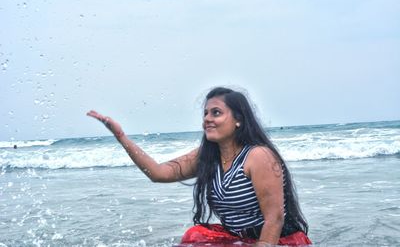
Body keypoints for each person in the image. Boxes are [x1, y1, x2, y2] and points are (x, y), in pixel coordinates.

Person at [87, 87, 311, 246]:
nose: (207, 119)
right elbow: (158, 173)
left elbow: (275, 218)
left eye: (216, 113)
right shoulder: (207, 156)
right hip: (238, 239)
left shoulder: (258, 156)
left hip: (273, 240)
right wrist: (120, 136)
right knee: (194, 237)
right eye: (205, 113)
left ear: (238, 120)